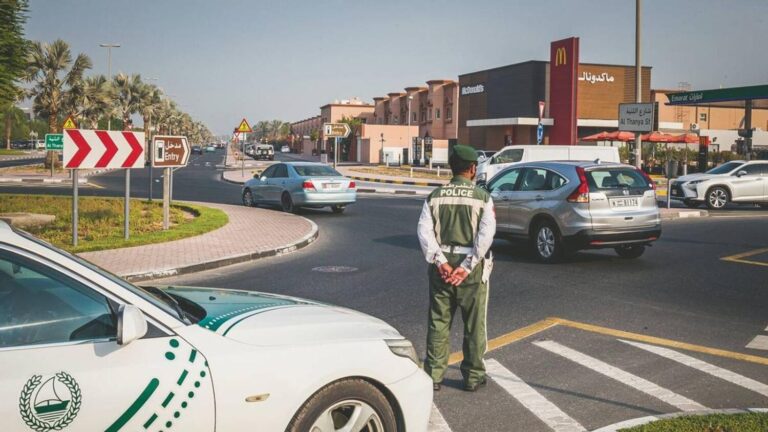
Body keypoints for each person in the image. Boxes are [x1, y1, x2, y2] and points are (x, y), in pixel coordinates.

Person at [417, 144, 496, 392]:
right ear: (472, 168)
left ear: (452, 168)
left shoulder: (434, 197)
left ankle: (433, 375)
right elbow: (486, 236)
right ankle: (473, 376)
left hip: (441, 269)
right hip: (471, 271)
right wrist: (466, 266)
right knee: (474, 324)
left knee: (439, 322)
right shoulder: (482, 198)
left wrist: (440, 261)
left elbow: (424, 232)